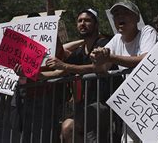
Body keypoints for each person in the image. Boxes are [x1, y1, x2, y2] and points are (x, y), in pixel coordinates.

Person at [91, 0, 158, 143]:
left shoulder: (147, 31)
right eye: (116, 15)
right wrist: (97, 60)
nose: (120, 17)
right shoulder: (116, 39)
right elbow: (102, 69)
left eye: (125, 13)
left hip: (157, 101)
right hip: (134, 105)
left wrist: (110, 57)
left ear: (136, 17)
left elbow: (145, 60)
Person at [46, 8, 112, 142]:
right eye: (80, 21)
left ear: (96, 25)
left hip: (104, 103)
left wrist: (65, 65)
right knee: (67, 134)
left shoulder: (103, 44)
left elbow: (96, 67)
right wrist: (37, 75)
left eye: (87, 20)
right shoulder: (80, 51)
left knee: (69, 127)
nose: (82, 23)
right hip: (86, 105)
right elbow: (60, 68)